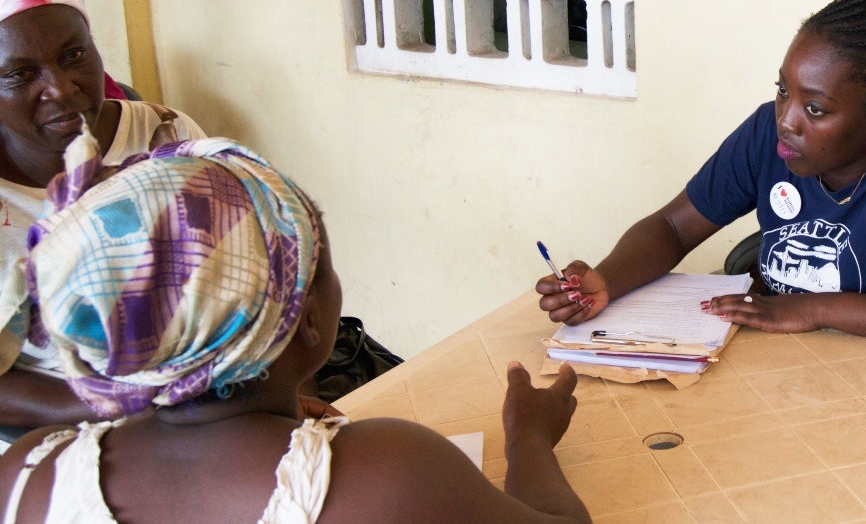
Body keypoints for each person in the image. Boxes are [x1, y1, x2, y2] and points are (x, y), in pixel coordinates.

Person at [0, 133, 590, 522]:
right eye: (323, 267)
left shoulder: (27, 475)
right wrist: (528, 438)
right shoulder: (387, 473)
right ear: (306, 320)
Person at [537, 0, 866, 351]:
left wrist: (815, 308)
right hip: (777, 362)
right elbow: (672, 227)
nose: (787, 120)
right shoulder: (769, 132)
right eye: (783, 90)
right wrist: (606, 281)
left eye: (817, 109)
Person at [0, 0, 209, 429]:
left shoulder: (165, 136)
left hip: (201, 401)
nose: (61, 87)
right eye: (20, 74)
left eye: (73, 54)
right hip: (56, 434)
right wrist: (123, 406)